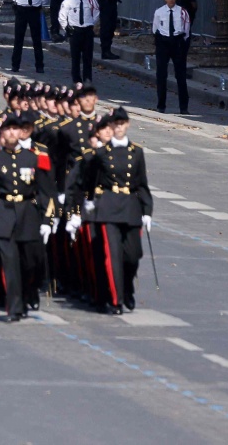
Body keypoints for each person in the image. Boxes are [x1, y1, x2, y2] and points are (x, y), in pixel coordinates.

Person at [0, 116, 54, 321]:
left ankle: (27, 295)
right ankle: (14, 307)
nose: (11, 134)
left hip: (28, 214)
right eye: (8, 130)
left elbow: (46, 191)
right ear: (2, 133)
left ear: (21, 133)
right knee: (10, 264)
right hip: (3, 213)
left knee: (30, 263)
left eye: (15, 130)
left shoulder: (35, 157)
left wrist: (47, 220)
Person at [71, 107, 153, 313]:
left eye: (121, 124)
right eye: (114, 124)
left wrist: (147, 211)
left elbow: (142, 183)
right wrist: (88, 201)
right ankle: (115, 300)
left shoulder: (136, 152)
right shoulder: (101, 153)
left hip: (130, 206)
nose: (118, 128)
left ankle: (126, 289)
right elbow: (89, 179)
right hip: (108, 206)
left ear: (127, 125)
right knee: (112, 255)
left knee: (133, 255)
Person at [151, 0, 191, 114]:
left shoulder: (182, 12)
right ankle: (161, 105)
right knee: (161, 74)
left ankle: (183, 107)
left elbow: (186, 30)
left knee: (181, 75)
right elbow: (155, 28)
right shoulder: (159, 12)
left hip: (177, 42)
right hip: (163, 42)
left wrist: (182, 43)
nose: (171, 0)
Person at [9, 0, 48, 74]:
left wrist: (40, 5)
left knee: (36, 39)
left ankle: (39, 65)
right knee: (18, 39)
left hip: (34, 10)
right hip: (21, 10)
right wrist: (17, 5)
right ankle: (15, 65)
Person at [59, 0, 100, 85]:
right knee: (75, 57)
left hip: (87, 31)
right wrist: (67, 28)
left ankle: (87, 79)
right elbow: (62, 16)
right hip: (75, 31)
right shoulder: (69, 1)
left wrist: (90, 24)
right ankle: (76, 79)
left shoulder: (92, 1)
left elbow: (96, 15)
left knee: (88, 57)